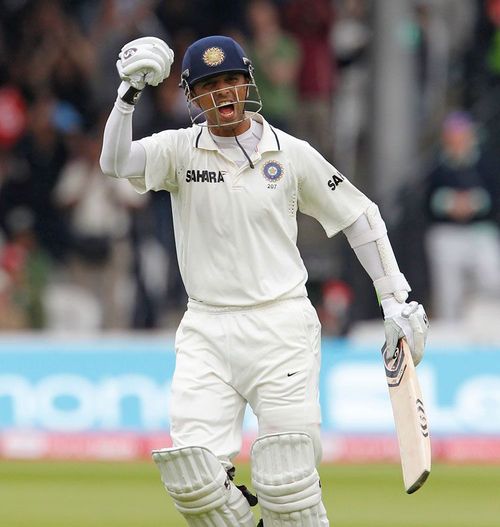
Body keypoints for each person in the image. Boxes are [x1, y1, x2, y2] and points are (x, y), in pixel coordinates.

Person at [100, 35, 429, 527]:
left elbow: (360, 216)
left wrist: (394, 298)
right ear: (192, 95)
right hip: (206, 329)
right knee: (193, 479)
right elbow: (115, 162)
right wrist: (127, 94)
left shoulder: (291, 154)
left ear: (247, 83)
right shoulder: (178, 152)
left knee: (286, 482)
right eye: (209, 86)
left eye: (231, 80)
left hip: (280, 327)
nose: (223, 94)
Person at [425, 111, 500, 321]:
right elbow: (428, 201)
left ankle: (487, 323)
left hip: (480, 232)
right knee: (449, 292)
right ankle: (452, 331)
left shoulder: (486, 163)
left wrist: (474, 203)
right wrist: (450, 203)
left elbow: (494, 196)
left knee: (491, 279)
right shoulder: (438, 166)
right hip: (447, 233)